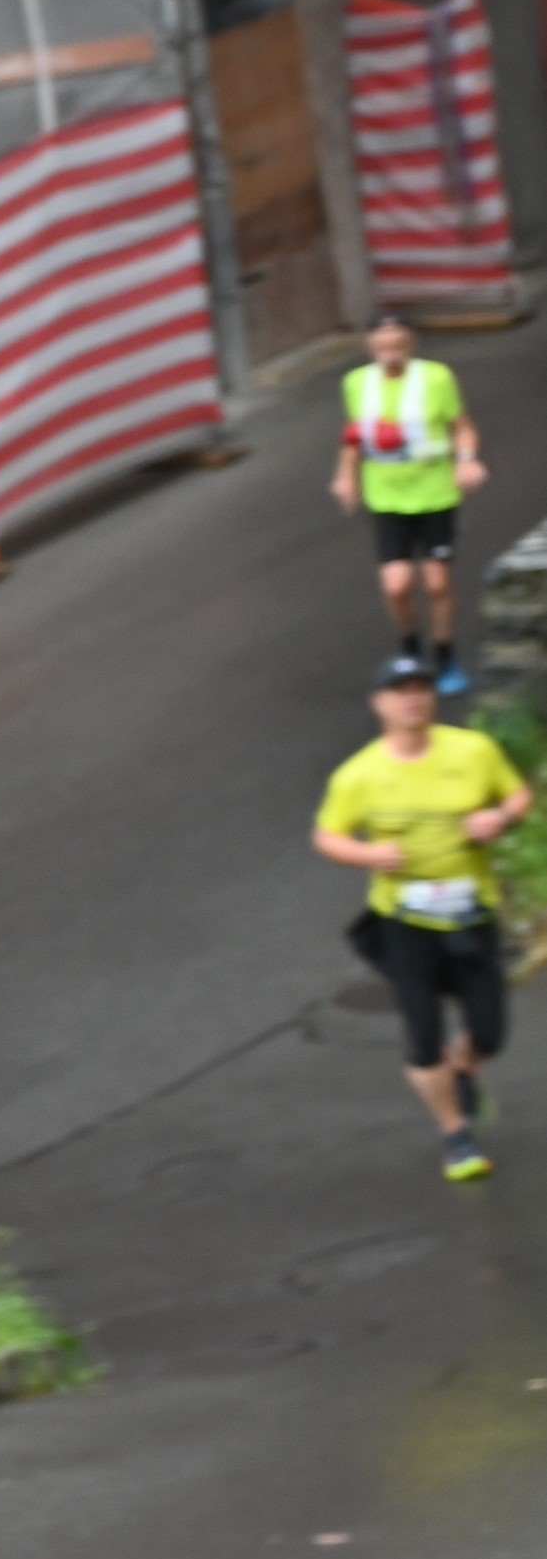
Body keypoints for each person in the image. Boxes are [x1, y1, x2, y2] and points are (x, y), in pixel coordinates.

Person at [312, 654, 529, 1180]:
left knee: (491, 1032)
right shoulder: (359, 775)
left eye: (421, 688)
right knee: (422, 1030)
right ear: (379, 704)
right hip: (403, 921)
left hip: (470, 914)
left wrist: (498, 817)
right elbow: (328, 835)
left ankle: (464, 1067)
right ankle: (455, 1134)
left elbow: (518, 794)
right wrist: (367, 857)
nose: (412, 698)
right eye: (399, 690)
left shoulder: (473, 751)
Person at [330, 325, 484, 685]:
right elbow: (354, 435)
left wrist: (466, 460)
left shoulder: (435, 378)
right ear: (370, 348)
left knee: (436, 583)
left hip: (435, 493)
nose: (390, 353)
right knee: (396, 585)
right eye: (382, 346)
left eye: (397, 345)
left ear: (410, 346)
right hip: (386, 497)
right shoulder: (356, 383)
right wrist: (346, 476)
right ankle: (410, 648)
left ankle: (445, 655)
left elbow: (461, 426)